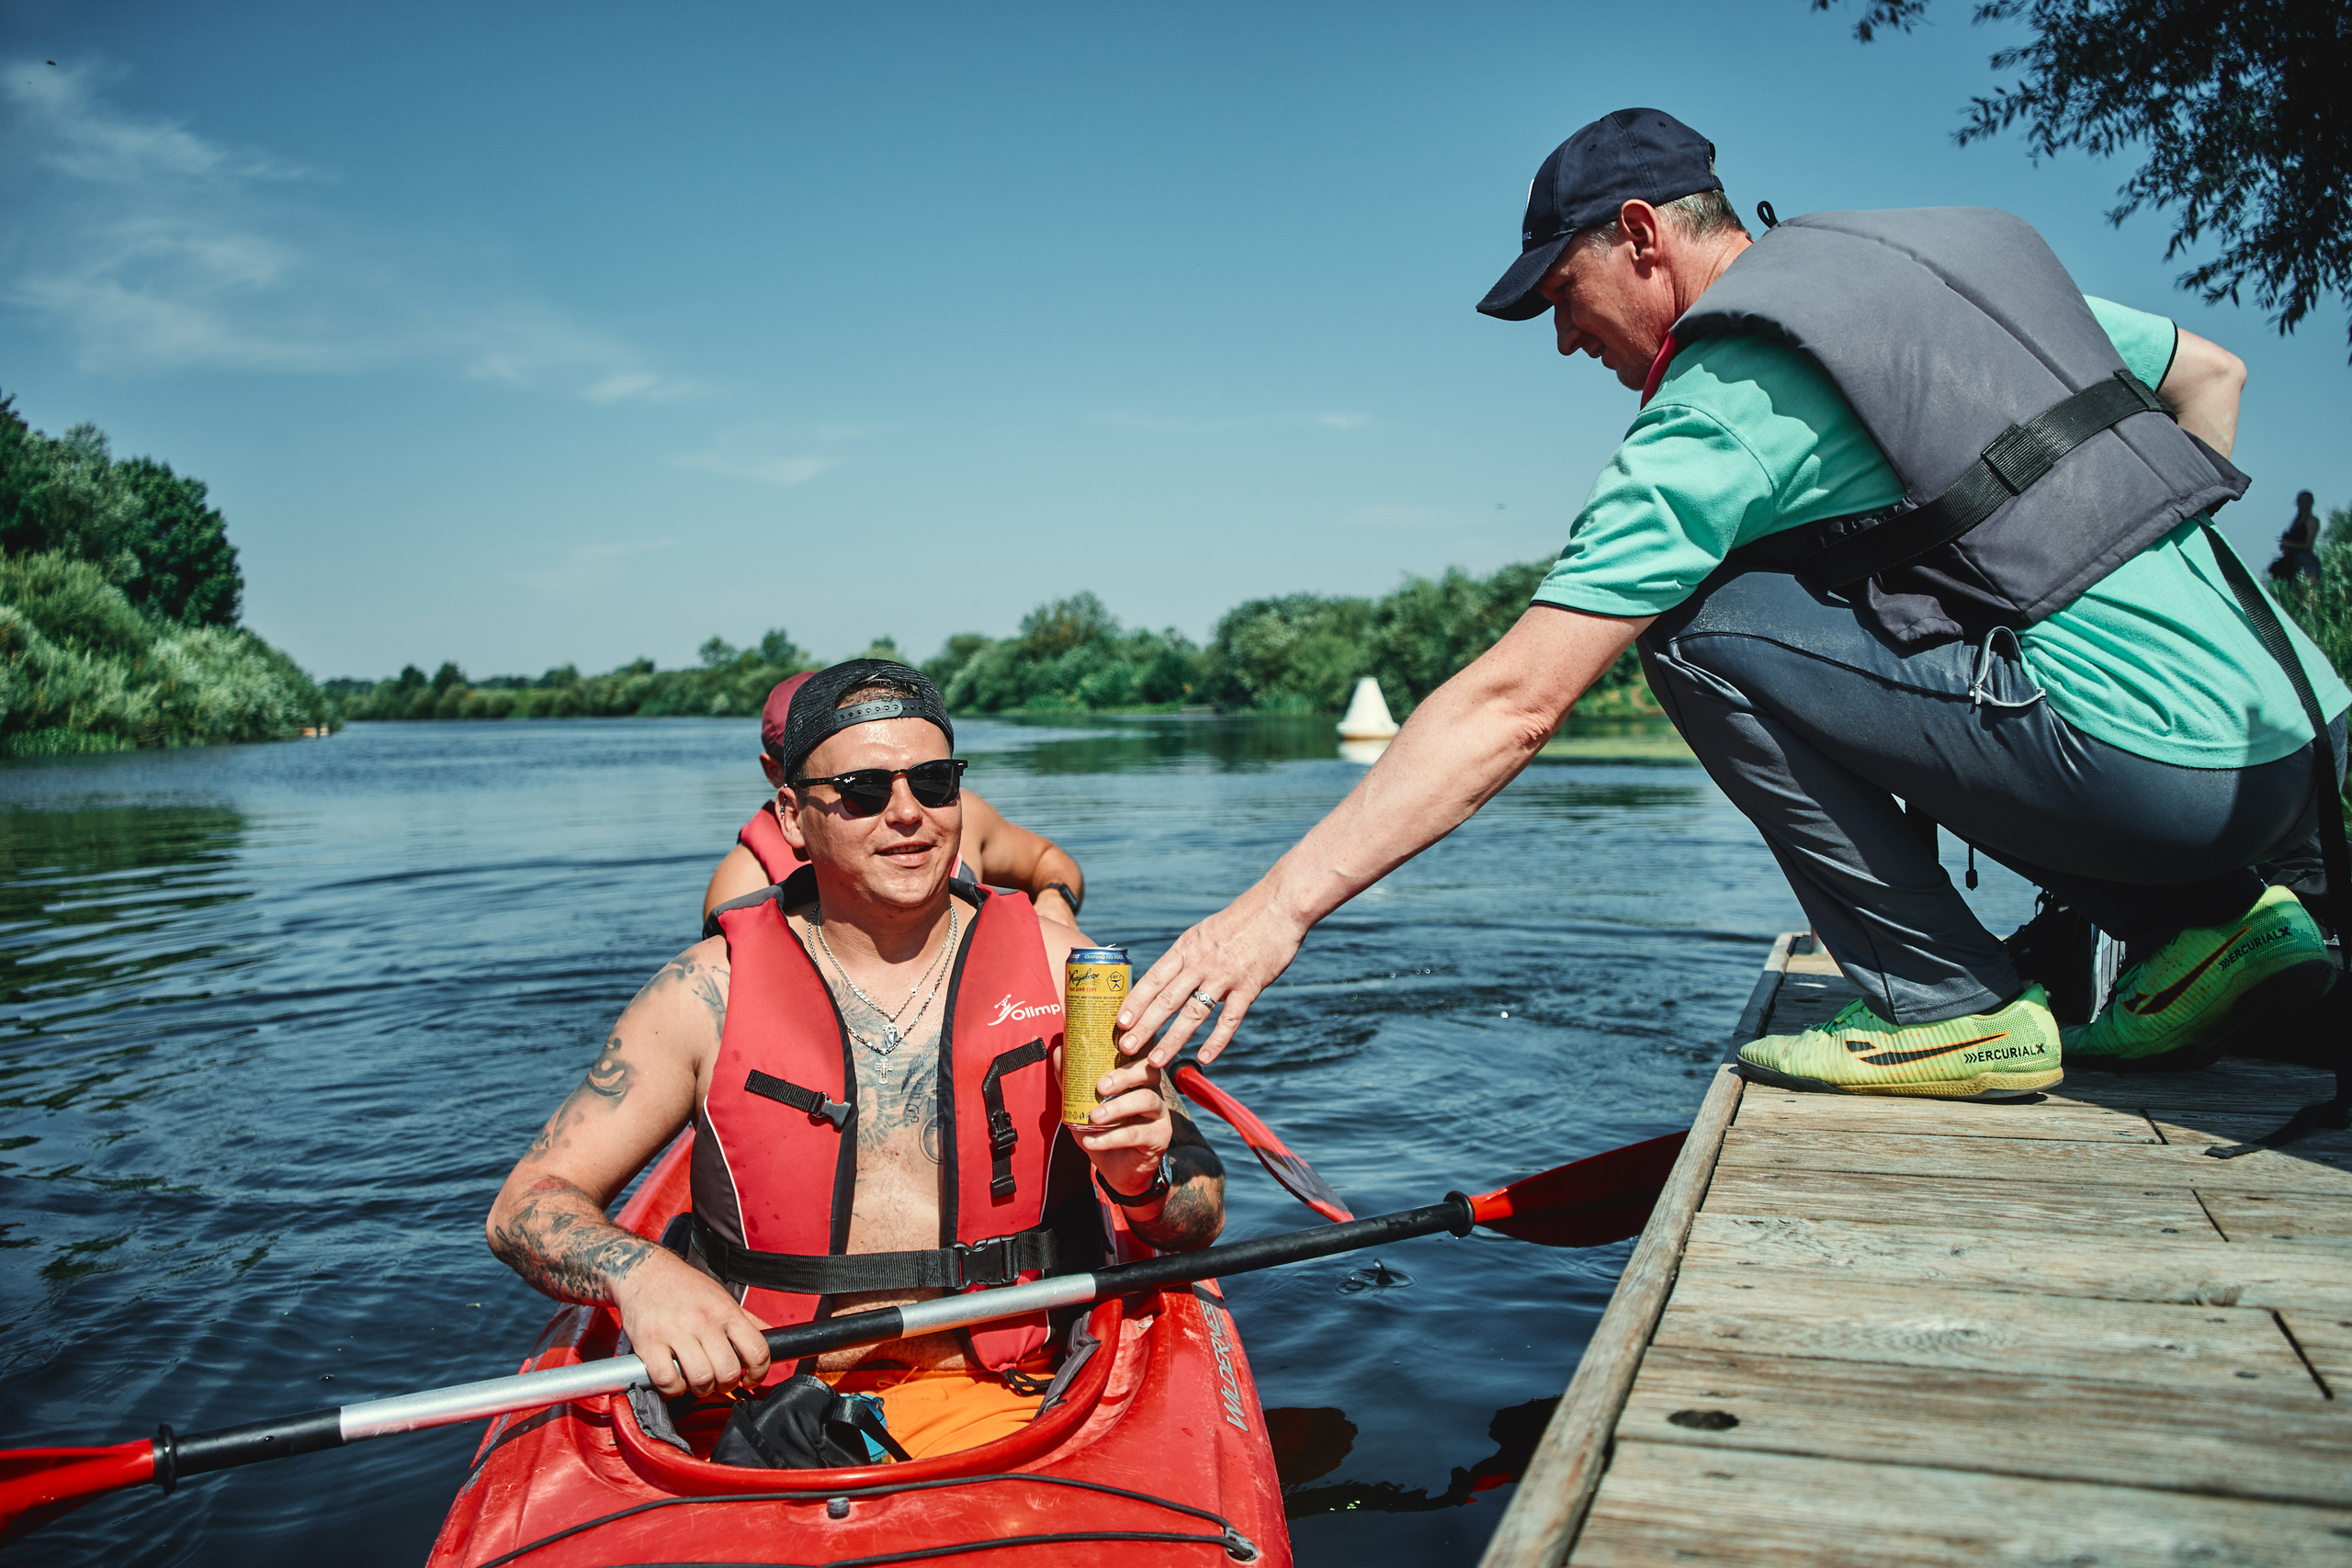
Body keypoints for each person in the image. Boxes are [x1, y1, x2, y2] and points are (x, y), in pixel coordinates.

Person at [1114, 107, 2346, 1102]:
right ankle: (2216, 931)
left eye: (1560, 294)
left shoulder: (1725, 391)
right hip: (2298, 743)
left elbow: (1515, 701)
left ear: (1643, 235)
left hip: (2158, 775)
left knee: (1701, 630)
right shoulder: (1929, 264)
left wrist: (1269, 912)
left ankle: (1948, 1004)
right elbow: (2212, 376)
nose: (1561, 343)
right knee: (1930, 617)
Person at [490, 660, 1224, 1461]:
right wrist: (641, 1274)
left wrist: (1143, 1182)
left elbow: (1198, 1210)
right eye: (865, 792)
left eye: (935, 782)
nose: (908, 814)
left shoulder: (1063, 968)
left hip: (1009, 1402)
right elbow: (525, 1205)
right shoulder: (704, 992)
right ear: (794, 816)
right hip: (753, 1403)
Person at [703, 672, 1088, 928]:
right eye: (861, 784)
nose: (905, 811)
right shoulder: (742, 886)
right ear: (779, 781)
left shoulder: (954, 810)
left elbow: (1046, 860)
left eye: (932, 779)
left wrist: (1056, 900)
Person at [2275, 491, 2323, 582]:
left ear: (2311, 503)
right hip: (2293, 562)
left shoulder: (2312, 520)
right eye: (2301, 502)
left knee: (2306, 594)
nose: (2304, 505)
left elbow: (2307, 545)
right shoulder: (2297, 521)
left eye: (2306, 502)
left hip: (2306, 562)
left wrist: (2289, 544)